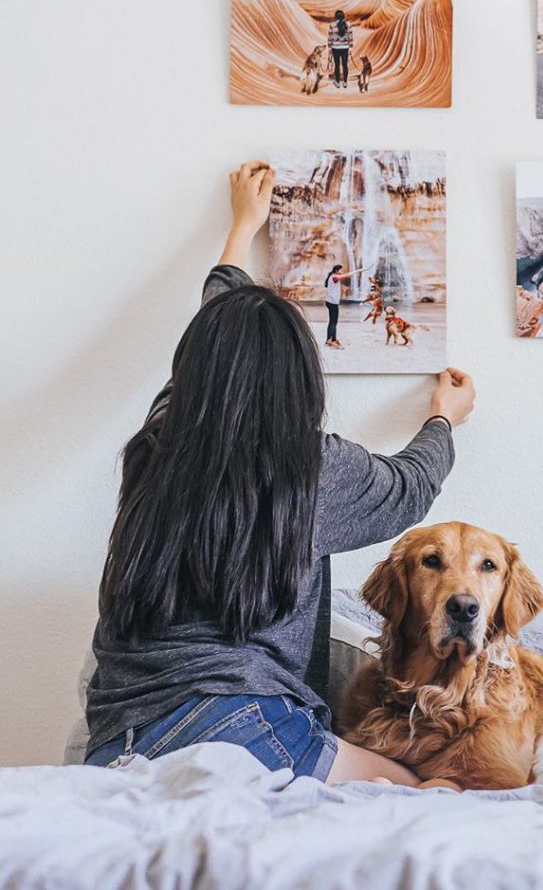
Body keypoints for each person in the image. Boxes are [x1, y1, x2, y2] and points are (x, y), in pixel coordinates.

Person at [83, 162, 476, 786]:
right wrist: (443, 422)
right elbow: (408, 487)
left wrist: (242, 231)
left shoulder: (154, 450)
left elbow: (219, 341)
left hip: (116, 739)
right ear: (300, 379)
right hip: (243, 725)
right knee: (427, 790)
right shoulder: (311, 467)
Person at [324, 263, 362, 349]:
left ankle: (328, 340)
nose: (341, 271)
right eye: (340, 270)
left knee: (331, 321)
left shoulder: (332, 277)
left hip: (330, 302)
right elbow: (345, 276)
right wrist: (357, 271)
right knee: (334, 322)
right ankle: (333, 340)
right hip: (332, 303)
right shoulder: (334, 277)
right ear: (336, 271)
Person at [327, 10, 353, 88]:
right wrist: (350, 47)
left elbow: (330, 36)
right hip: (345, 48)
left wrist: (330, 46)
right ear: (343, 16)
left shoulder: (332, 25)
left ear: (336, 17)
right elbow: (350, 36)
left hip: (335, 47)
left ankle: (337, 82)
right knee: (345, 65)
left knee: (337, 65)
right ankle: (345, 82)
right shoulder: (348, 25)